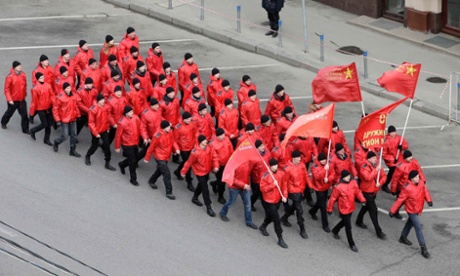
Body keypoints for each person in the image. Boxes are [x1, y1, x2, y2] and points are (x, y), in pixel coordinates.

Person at [389, 170, 433, 258]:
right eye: (416, 177)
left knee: (410, 223)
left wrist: (429, 200)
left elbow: (425, 191)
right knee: (418, 227)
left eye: (418, 176)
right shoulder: (407, 187)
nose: (418, 178)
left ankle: (403, 237)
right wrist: (393, 211)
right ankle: (423, 248)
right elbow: (400, 200)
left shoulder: (420, 183)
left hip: (417, 208)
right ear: (412, 179)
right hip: (411, 210)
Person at [327, 170, 366, 252]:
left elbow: (357, 192)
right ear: (342, 177)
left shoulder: (353, 183)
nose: (348, 178)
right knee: (348, 226)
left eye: (348, 176)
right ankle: (352, 244)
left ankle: (335, 230)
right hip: (343, 209)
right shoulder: (338, 187)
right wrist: (329, 209)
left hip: (351, 207)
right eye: (346, 176)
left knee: (344, 222)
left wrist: (362, 200)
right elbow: (333, 198)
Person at [181, 135, 219, 217]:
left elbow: (214, 157)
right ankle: (209, 207)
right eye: (204, 140)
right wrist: (183, 172)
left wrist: (216, 166)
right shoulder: (195, 152)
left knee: (201, 186)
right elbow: (188, 163)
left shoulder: (209, 148)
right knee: (205, 189)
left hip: (207, 171)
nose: (206, 141)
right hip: (199, 172)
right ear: (200, 141)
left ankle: (194, 198)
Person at [355, 151, 387, 240]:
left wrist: (380, 183)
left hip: (373, 191)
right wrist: (376, 170)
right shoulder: (364, 167)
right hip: (366, 192)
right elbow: (368, 177)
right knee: (373, 211)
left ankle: (359, 220)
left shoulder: (377, 165)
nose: (375, 159)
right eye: (373, 158)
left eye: (375, 158)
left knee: (365, 207)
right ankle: (378, 231)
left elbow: (384, 176)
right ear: (368, 159)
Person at [280, 150, 312, 239]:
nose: (299, 159)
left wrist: (310, 186)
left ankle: (284, 217)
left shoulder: (302, 165)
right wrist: (285, 195)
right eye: (297, 157)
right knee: (299, 210)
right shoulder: (288, 168)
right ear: (293, 158)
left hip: (300, 189)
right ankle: (302, 229)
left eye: (299, 157)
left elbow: (306, 176)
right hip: (293, 191)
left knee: (294, 206)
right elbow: (285, 183)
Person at [144, 120, 180, 200]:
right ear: (164, 128)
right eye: (168, 127)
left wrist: (176, 149)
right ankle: (169, 192)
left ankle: (151, 180)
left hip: (166, 155)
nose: (170, 128)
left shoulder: (170, 132)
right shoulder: (157, 136)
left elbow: (173, 141)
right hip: (159, 156)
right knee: (166, 174)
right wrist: (147, 158)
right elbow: (151, 147)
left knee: (160, 170)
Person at [258, 158, 288, 248]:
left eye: (276, 165)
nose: (275, 167)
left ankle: (263, 226)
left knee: (270, 217)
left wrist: (285, 196)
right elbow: (262, 189)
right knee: (276, 219)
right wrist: (272, 185)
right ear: (270, 166)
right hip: (269, 200)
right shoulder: (265, 175)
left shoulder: (281, 174)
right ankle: (280, 238)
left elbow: (284, 185)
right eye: (273, 165)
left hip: (278, 199)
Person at [219, 162, 258, 229]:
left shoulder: (248, 162)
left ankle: (249, 222)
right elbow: (232, 178)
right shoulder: (233, 164)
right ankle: (222, 213)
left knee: (248, 204)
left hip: (244, 187)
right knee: (231, 201)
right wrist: (244, 185)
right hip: (235, 188)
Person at [390, 150, 426, 219]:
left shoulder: (414, 162)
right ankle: (395, 211)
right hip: (402, 187)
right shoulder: (401, 166)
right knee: (400, 201)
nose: (410, 158)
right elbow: (395, 178)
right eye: (408, 157)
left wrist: (423, 179)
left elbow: (419, 171)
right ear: (405, 158)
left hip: (411, 186)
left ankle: (406, 212)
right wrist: (393, 189)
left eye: (411, 156)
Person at [85, 93, 116, 171]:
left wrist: (113, 124)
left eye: (103, 100)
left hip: (104, 130)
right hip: (96, 131)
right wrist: (96, 133)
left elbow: (108, 117)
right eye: (101, 100)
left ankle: (107, 162)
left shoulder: (106, 107)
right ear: (98, 101)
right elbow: (91, 123)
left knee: (107, 145)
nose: (103, 101)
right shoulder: (93, 109)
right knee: (94, 146)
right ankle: (88, 156)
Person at [52, 82, 81, 157]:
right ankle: (56, 142)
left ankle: (72, 150)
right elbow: (55, 109)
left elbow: (75, 106)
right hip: (64, 119)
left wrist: (78, 115)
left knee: (74, 135)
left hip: (73, 118)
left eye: (69, 87)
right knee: (64, 136)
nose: (69, 89)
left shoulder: (74, 96)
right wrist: (57, 120)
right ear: (64, 89)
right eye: (67, 88)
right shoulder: (60, 97)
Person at [115, 106, 141, 186]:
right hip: (127, 144)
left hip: (135, 142)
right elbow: (118, 135)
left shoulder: (135, 118)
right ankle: (133, 179)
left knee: (134, 158)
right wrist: (117, 147)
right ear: (126, 114)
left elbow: (140, 127)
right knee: (132, 162)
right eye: (130, 112)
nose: (132, 113)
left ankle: (122, 164)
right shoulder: (122, 122)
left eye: (132, 112)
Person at [309, 152, 335, 233]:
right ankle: (325, 225)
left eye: (324, 160)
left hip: (326, 186)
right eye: (322, 160)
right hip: (318, 188)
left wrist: (329, 179)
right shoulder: (314, 166)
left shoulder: (329, 165)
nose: (323, 161)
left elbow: (333, 174)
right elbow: (317, 177)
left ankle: (312, 211)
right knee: (323, 206)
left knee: (320, 203)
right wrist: (324, 170)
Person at [2, 61, 29, 133]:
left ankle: (25, 129)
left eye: (20, 65)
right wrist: (10, 99)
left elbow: (25, 85)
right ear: (14, 67)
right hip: (13, 100)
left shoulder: (23, 75)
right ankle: (3, 122)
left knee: (24, 115)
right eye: (18, 66)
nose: (20, 67)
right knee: (9, 113)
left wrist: (24, 94)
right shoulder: (10, 77)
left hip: (21, 100)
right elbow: (6, 89)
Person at [174, 112, 198, 192]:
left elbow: (196, 134)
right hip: (183, 148)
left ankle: (178, 171)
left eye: (189, 119)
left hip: (191, 146)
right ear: (183, 119)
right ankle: (189, 183)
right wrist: (176, 149)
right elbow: (175, 140)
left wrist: (196, 144)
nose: (189, 120)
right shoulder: (178, 127)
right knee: (188, 164)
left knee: (185, 162)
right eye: (187, 119)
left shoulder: (192, 124)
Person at [209, 128, 234, 204]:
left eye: (223, 134)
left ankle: (214, 183)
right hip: (219, 166)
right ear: (217, 136)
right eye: (221, 135)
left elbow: (231, 149)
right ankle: (220, 196)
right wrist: (216, 166)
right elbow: (213, 157)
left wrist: (232, 159)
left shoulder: (226, 139)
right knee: (221, 182)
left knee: (223, 179)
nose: (223, 136)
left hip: (227, 163)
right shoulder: (212, 144)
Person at [382, 125, 409, 193]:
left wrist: (401, 147)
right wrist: (392, 159)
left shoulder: (399, 138)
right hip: (391, 161)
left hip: (399, 159)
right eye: (392, 132)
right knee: (393, 172)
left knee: (400, 173)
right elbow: (384, 154)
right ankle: (385, 184)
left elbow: (406, 146)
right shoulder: (386, 141)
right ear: (389, 133)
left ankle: (398, 186)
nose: (393, 133)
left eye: (394, 132)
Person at [29, 72, 54, 145]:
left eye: (43, 77)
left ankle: (46, 139)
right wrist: (32, 113)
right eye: (41, 78)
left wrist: (54, 104)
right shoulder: (35, 89)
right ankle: (33, 130)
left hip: (48, 107)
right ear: (37, 79)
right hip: (40, 109)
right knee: (44, 124)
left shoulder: (48, 85)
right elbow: (34, 101)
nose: (43, 79)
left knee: (49, 124)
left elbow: (52, 95)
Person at [250, 139, 272, 211]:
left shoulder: (267, 153)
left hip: (265, 177)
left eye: (263, 145)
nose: (263, 147)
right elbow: (250, 168)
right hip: (257, 179)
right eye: (261, 146)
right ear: (257, 148)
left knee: (257, 194)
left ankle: (250, 202)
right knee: (262, 195)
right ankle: (268, 211)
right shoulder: (254, 157)